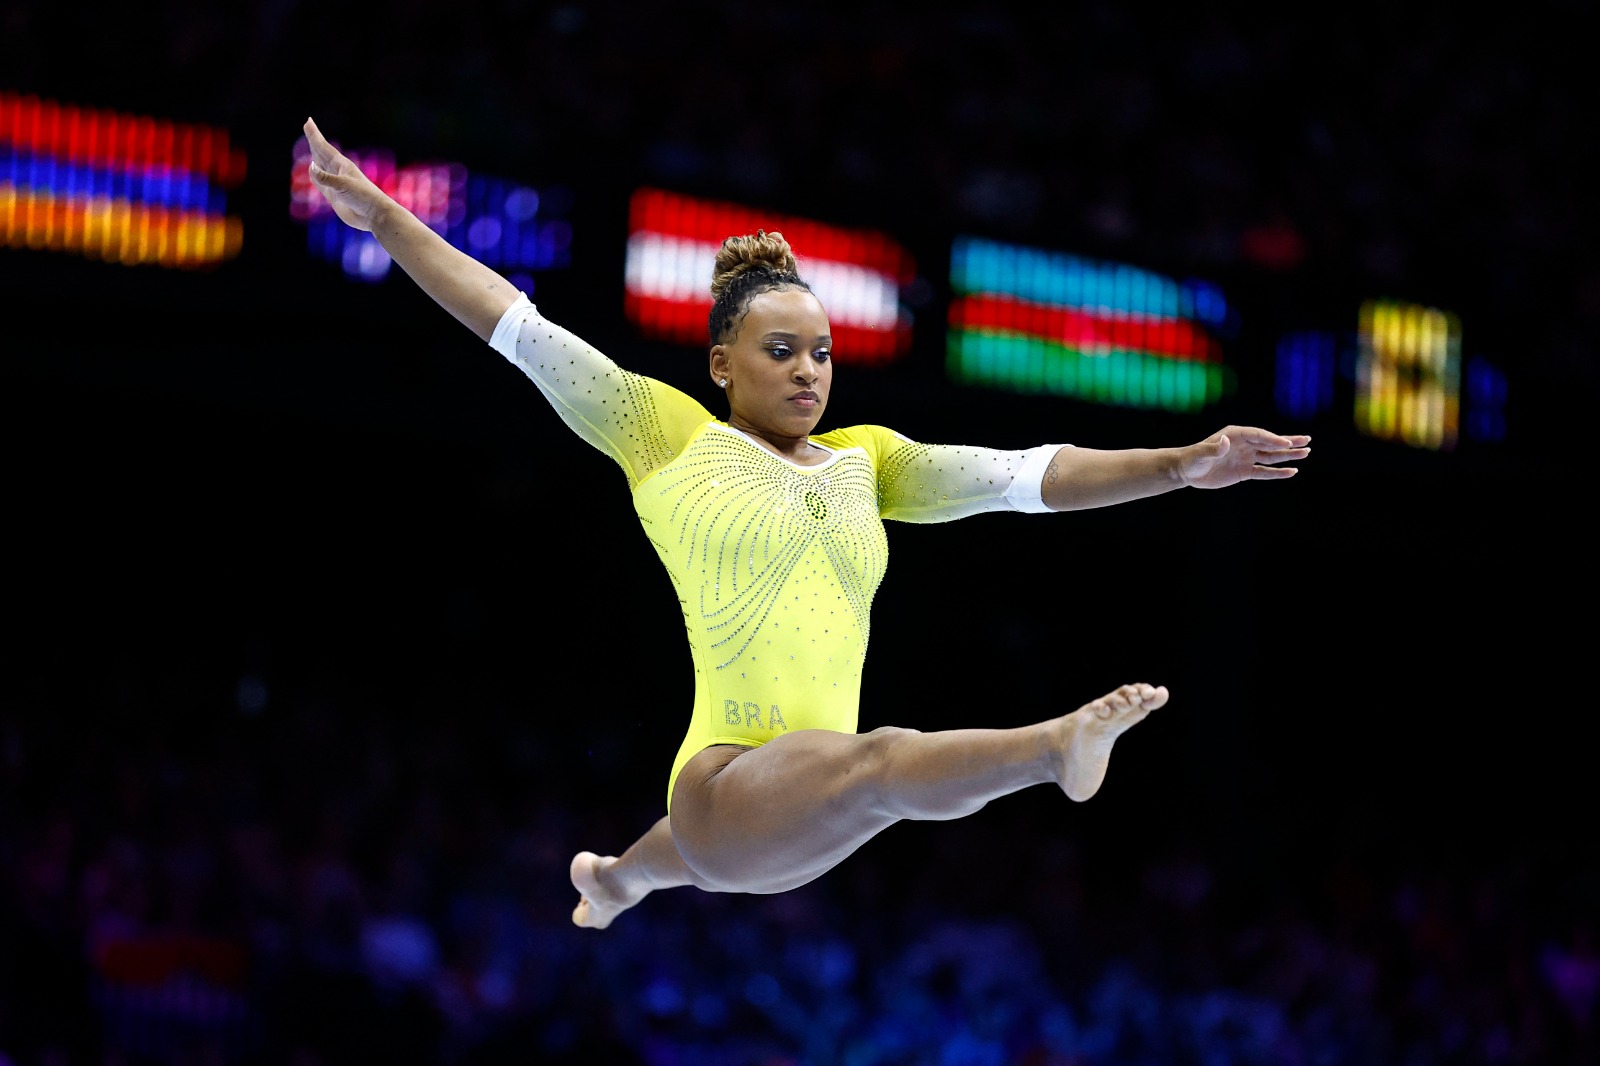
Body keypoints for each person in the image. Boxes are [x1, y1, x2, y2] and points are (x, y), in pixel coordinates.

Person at [301, 116, 1311, 930]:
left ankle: (616, 879)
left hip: (790, 817)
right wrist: (384, 217)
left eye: (821, 353)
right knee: (880, 761)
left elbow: (1030, 475)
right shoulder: (664, 434)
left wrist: (1182, 464)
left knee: (837, 780)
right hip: (725, 784)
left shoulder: (870, 463)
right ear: (720, 364)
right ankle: (1052, 748)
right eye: (779, 350)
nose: (806, 370)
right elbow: (512, 322)